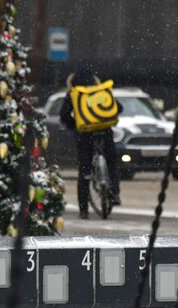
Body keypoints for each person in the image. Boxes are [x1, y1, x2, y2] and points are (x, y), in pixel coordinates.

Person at [59, 68, 121, 219]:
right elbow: (118, 108)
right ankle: (115, 194)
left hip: (84, 135)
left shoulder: (75, 93)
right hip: (105, 132)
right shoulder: (100, 91)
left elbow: (64, 115)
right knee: (112, 162)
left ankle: (84, 210)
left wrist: (75, 125)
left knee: (84, 170)